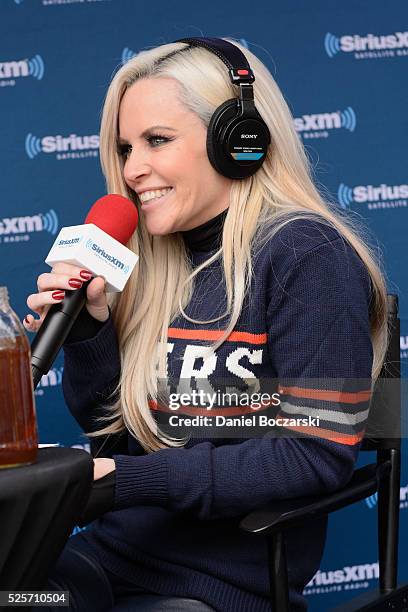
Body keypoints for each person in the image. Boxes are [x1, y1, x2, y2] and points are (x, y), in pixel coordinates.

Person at [24, 37, 388, 611]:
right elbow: (121, 439)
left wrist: (128, 481)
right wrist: (89, 332)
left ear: (237, 140)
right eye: (124, 147)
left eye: (157, 141)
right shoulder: (153, 264)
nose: (132, 169)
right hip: (108, 561)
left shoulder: (306, 255)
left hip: (216, 589)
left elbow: (314, 454)